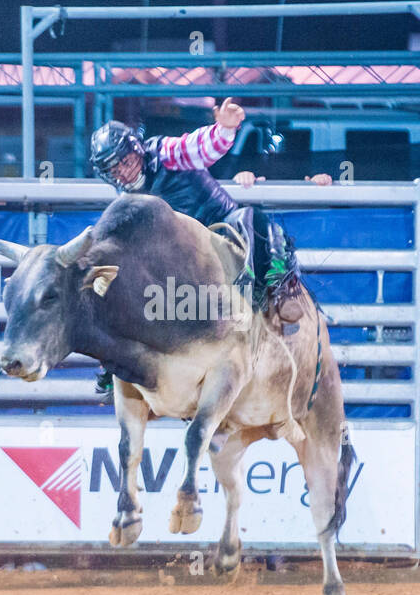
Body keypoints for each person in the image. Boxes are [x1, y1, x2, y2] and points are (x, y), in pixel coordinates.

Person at [88, 99, 306, 391]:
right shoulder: (124, 196)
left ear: (136, 151)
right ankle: (113, 360)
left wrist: (225, 130)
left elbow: (200, 146)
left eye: (124, 162)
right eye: (113, 169)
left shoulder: (165, 153)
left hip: (217, 222)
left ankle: (277, 295)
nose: (122, 172)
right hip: (173, 249)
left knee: (255, 221)